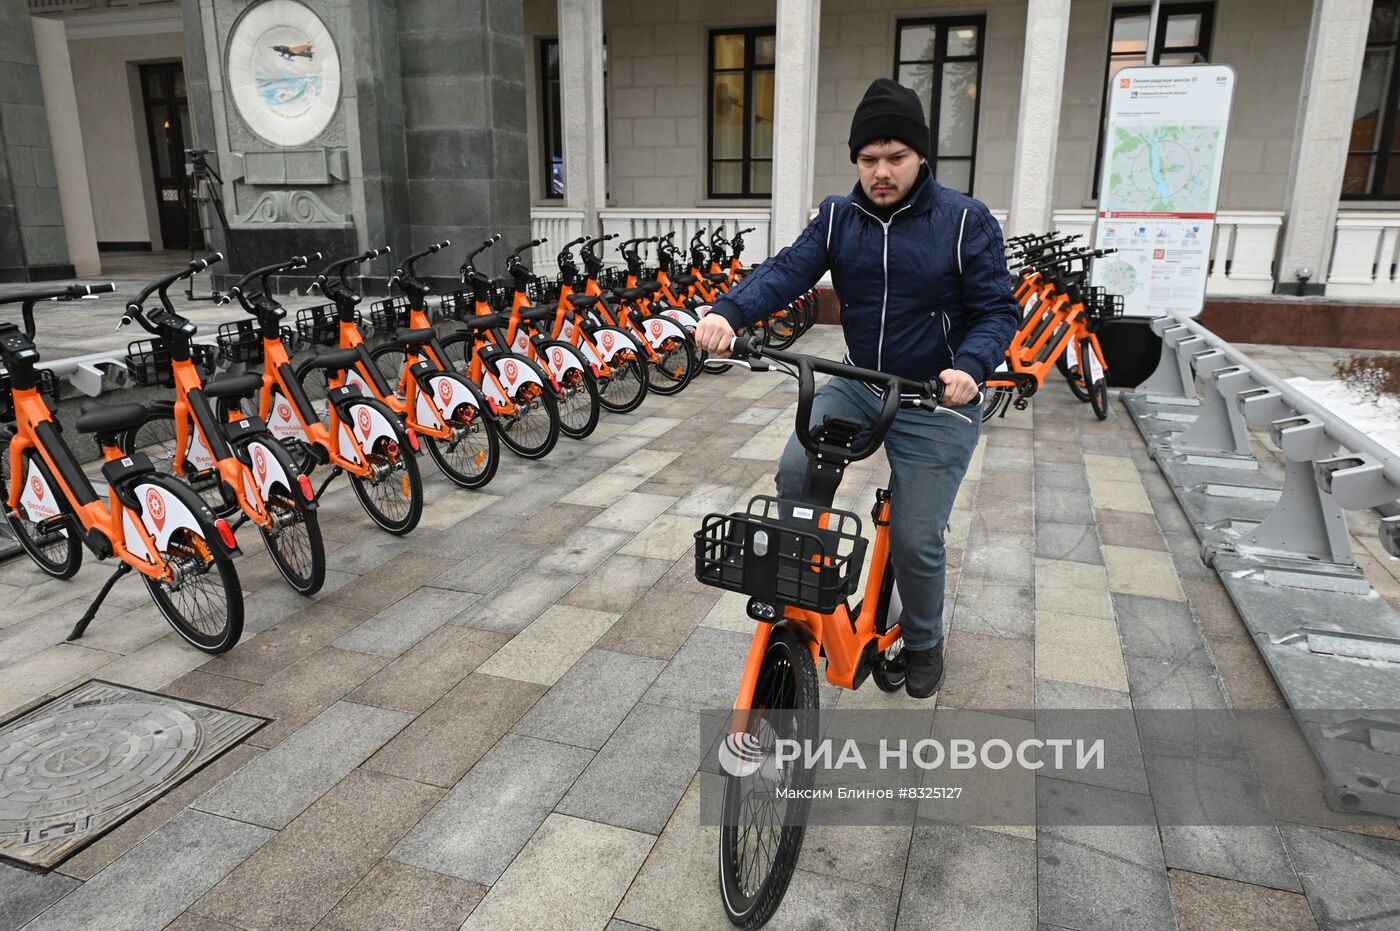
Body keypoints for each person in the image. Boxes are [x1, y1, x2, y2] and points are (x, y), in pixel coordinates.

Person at [694, 77, 1018, 699]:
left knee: (920, 537)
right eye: (869, 159)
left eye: (895, 157)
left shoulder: (964, 221)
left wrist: (971, 369)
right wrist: (728, 313)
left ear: (921, 156)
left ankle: (923, 638)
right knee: (795, 473)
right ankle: (806, 583)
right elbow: (788, 269)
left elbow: (998, 311)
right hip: (860, 380)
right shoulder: (841, 217)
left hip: (935, 394)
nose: (881, 171)